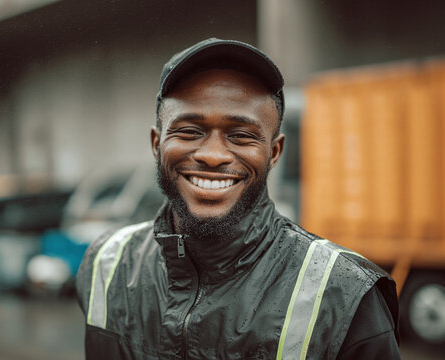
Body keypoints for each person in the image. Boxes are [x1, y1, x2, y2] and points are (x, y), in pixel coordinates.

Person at [76, 38, 400, 360]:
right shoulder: (106, 264)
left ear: (274, 152)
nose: (213, 155)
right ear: (156, 142)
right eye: (189, 131)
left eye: (241, 136)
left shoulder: (345, 296)